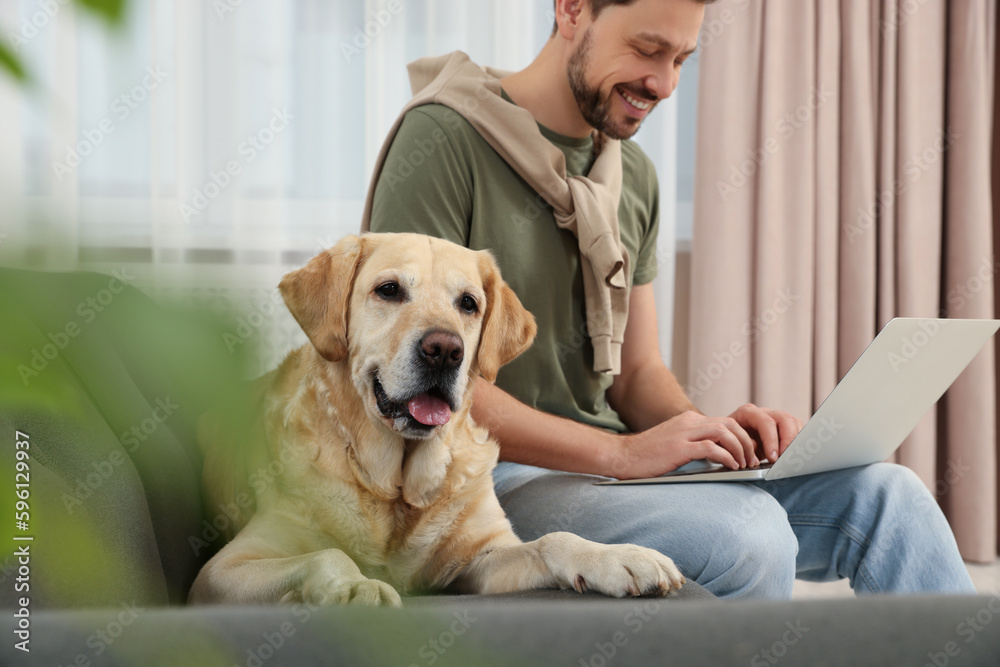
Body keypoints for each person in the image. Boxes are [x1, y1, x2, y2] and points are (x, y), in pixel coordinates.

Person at [365, 0, 975, 598]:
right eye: (647, 48)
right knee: (750, 536)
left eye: (683, 58)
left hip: (608, 470)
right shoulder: (444, 140)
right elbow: (424, 375)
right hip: (488, 476)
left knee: (891, 498)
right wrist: (621, 453)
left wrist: (712, 437)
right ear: (572, 11)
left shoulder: (632, 175)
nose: (663, 82)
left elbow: (637, 376)